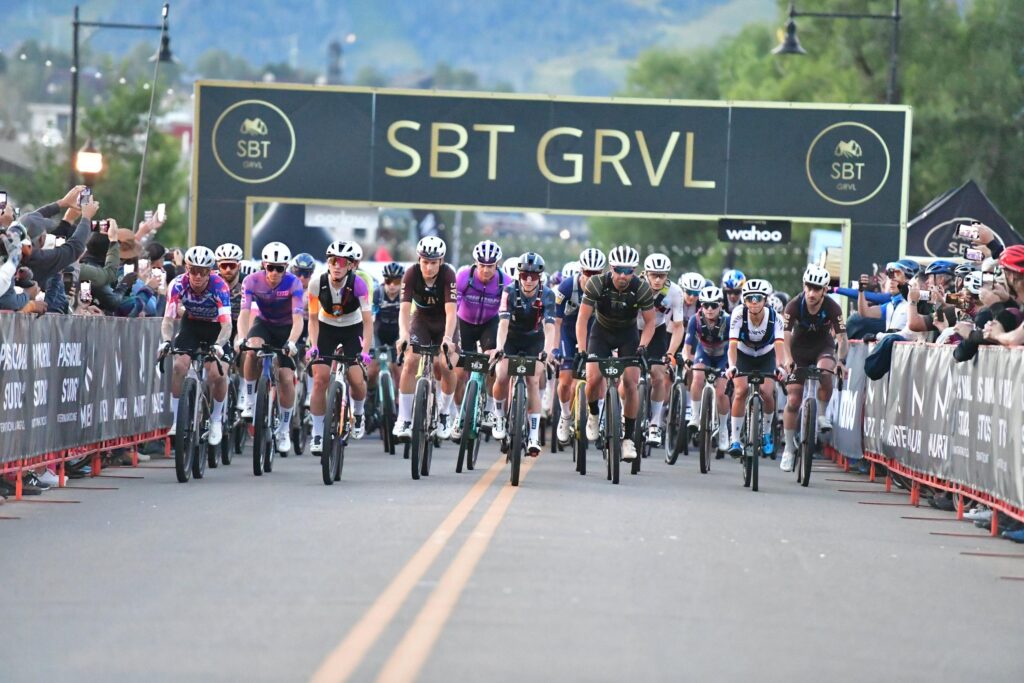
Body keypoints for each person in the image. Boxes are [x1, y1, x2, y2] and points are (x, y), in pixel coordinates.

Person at [575, 245, 656, 462]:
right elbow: (582, 319)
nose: (623, 275)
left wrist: (643, 346)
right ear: (611, 268)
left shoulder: (642, 288)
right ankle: (593, 413)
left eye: (628, 271)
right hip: (600, 332)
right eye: (619, 270)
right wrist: (582, 349)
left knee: (630, 382)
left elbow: (650, 323)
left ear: (634, 270)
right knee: (593, 378)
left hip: (628, 334)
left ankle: (628, 438)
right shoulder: (597, 283)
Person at [235, 242, 306, 453]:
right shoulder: (251, 281)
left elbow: (298, 318)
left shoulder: (294, 284)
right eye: (270, 267)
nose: (274, 272)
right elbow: (245, 314)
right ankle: (249, 400)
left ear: (286, 268)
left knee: (285, 377)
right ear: (264, 265)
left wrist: (292, 342)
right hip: (264, 325)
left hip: (287, 328)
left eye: (280, 268)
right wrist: (241, 337)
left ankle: (284, 428)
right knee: (251, 350)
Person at [160, 246, 232, 445]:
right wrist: (166, 340)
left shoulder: (220, 287)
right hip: (191, 326)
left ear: (210, 272)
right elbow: (168, 319)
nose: (198, 276)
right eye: (193, 270)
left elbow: (227, 325)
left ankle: (216, 420)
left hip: (216, 329)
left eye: (203, 271)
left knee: (216, 374)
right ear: (186, 269)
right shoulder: (177, 284)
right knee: (178, 366)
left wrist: (218, 345)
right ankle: (177, 420)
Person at [780, 264, 848, 472]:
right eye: (808, 287)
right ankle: (789, 449)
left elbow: (842, 338)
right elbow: (785, 336)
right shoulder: (793, 305)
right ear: (804, 286)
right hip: (798, 350)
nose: (811, 293)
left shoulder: (832, 307)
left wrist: (840, 361)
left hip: (822, 347)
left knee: (826, 372)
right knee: (793, 399)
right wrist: (788, 359)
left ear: (825, 290)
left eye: (817, 289)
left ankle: (822, 414)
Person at [307, 241, 373, 452]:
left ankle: (359, 413)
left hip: (352, 329)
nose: (337, 265)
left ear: (351, 266)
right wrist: (314, 345)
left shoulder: (359, 285)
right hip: (325, 328)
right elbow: (312, 318)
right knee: (319, 380)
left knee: (356, 378)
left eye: (342, 262)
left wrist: (365, 352)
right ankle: (317, 434)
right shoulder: (316, 283)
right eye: (333, 261)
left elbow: (368, 321)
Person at [393, 236, 460, 441]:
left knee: (446, 364)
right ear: (419, 259)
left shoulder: (449, 274)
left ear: (441, 261)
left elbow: (451, 313)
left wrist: (448, 338)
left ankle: (444, 413)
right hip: (421, 319)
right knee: (411, 360)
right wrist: (404, 334)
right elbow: (404, 310)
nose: (429, 267)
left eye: (433, 262)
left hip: (443, 322)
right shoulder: (411, 273)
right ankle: (404, 418)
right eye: (425, 262)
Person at [492, 252, 556, 454]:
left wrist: (547, 351)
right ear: (519, 275)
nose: (529, 280)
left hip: (534, 340)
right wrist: (500, 347)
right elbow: (502, 324)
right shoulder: (509, 292)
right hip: (511, 338)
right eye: (525, 275)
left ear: (540, 277)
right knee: (502, 374)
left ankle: (534, 436)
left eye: (534, 276)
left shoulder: (547, 295)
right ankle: (500, 416)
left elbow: (549, 327)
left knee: (533, 381)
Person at [725, 278, 788, 458]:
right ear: (744, 301)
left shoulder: (776, 318)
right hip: (743, 354)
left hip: (765, 355)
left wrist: (780, 367)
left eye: (758, 298)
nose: (753, 302)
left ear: (765, 300)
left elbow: (779, 346)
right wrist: (731, 367)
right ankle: (735, 439)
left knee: (767, 393)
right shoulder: (737, 315)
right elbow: (732, 346)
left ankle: (766, 433)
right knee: (740, 391)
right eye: (749, 298)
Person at [453, 240, 508, 439]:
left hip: (489, 324)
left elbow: (506, 316)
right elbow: (453, 308)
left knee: (492, 361)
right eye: (482, 265)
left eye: (490, 265)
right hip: (464, 323)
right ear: (476, 263)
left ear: (497, 264)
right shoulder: (463, 277)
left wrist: (501, 344)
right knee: (459, 373)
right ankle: (458, 414)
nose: (486, 270)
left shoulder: (505, 282)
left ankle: (490, 409)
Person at [553, 248, 605, 444]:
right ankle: (565, 417)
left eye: (596, 274)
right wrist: (554, 348)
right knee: (565, 379)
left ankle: (597, 416)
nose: (591, 277)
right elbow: (556, 322)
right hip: (568, 331)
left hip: (593, 332)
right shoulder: (567, 287)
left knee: (598, 377)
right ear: (581, 270)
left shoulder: (605, 288)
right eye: (588, 273)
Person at [639, 254, 686, 447]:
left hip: (657, 331)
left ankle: (655, 424)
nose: (658, 280)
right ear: (646, 274)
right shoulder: (636, 286)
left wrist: (670, 353)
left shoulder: (675, 292)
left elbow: (678, 326)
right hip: (631, 330)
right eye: (654, 275)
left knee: (658, 375)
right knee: (628, 377)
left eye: (662, 275)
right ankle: (625, 416)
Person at [681, 285, 731, 454]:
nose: (709, 309)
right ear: (701, 305)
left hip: (723, 355)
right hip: (704, 352)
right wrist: (687, 358)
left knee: (721, 393)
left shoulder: (729, 321)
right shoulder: (695, 320)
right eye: (706, 305)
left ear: (721, 306)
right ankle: (695, 415)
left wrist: (732, 365)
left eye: (714, 305)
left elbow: (735, 346)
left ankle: (724, 430)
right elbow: (687, 345)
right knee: (697, 377)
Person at [214, 243, 245, 347]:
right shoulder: (211, 281)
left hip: (240, 325)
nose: (228, 269)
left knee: (241, 347)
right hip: (217, 325)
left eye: (232, 266)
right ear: (218, 266)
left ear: (239, 266)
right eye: (223, 265)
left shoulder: (247, 283)